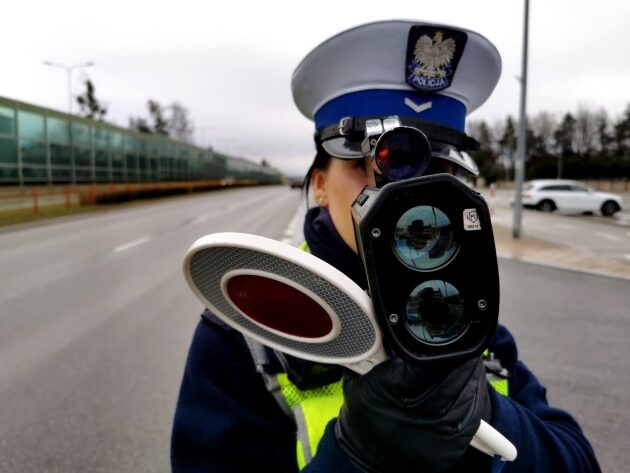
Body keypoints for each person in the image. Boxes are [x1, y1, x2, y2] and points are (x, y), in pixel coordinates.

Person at [171, 20, 601, 473]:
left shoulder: (465, 317)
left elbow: (575, 462)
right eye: (378, 164)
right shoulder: (253, 325)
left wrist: (490, 416)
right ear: (319, 184)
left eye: (436, 167)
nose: (409, 191)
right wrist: (356, 457)